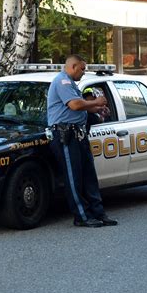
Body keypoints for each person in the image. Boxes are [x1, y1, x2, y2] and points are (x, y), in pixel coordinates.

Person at [47, 55, 118, 228]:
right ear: (72, 66)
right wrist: (96, 101)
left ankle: (98, 212)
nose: (84, 72)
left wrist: (98, 107)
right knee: (74, 177)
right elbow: (75, 105)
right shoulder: (62, 82)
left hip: (78, 134)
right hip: (66, 136)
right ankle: (82, 216)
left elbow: (82, 107)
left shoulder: (71, 84)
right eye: (82, 68)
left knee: (89, 175)